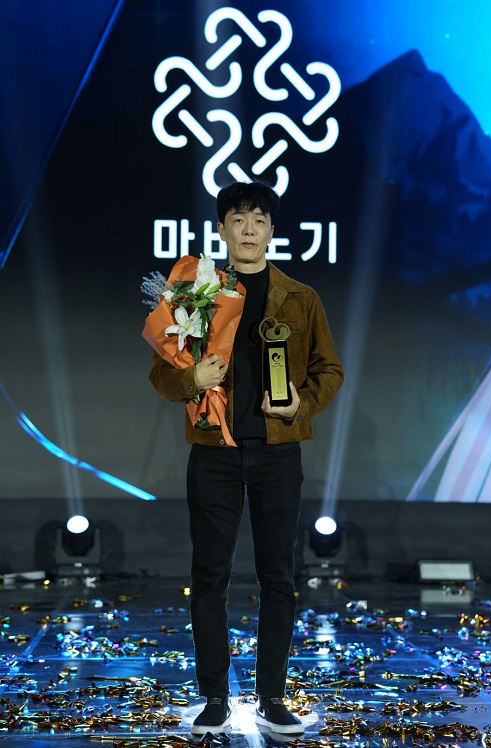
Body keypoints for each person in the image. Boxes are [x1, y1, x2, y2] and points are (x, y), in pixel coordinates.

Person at [148, 181, 344, 735]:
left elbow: (330, 369)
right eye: (238, 219)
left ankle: (272, 698)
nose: (249, 229)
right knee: (209, 577)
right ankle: (214, 697)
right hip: (214, 452)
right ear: (222, 230)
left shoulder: (300, 298)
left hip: (278, 453)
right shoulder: (197, 294)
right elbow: (161, 373)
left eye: (259, 220)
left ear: (272, 231)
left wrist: (300, 403)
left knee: (278, 576)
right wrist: (192, 377)